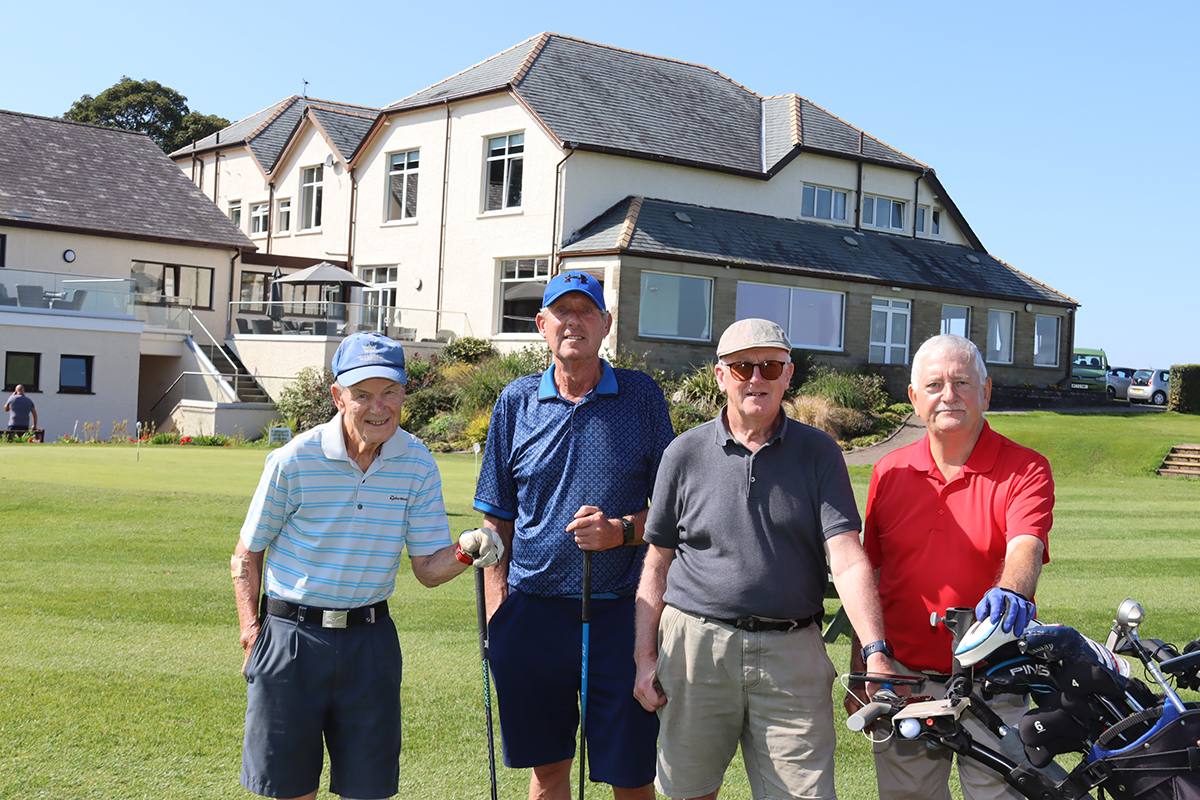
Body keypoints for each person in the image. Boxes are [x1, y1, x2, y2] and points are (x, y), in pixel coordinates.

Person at [232, 332, 502, 800]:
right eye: (362, 395)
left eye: (389, 392)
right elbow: (246, 553)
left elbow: (427, 568)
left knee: (369, 790)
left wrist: (465, 550)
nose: (379, 407)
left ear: (404, 393)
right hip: (291, 639)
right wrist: (251, 632)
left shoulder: (416, 462)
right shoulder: (293, 460)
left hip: (370, 643)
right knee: (290, 790)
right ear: (338, 397)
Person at [634, 318, 893, 800]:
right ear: (720, 376)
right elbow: (657, 563)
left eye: (771, 366)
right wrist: (644, 657)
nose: (756, 378)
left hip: (792, 653)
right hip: (696, 649)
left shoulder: (819, 452)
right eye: (742, 368)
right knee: (689, 792)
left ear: (788, 375)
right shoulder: (683, 452)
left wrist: (875, 651)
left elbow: (848, 559)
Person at [473, 271, 675, 800]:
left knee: (632, 773)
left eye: (587, 311)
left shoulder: (641, 395)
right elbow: (497, 520)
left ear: (606, 324)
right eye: (563, 311)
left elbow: (674, 512)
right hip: (532, 613)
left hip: (622, 614)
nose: (574, 322)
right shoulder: (515, 401)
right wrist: (498, 617)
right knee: (548, 770)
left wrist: (620, 531)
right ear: (542, 325)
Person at [848, 333, 1053, 800]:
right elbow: (872, 576)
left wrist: (1012, 593)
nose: (949, 395)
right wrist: (863, 663)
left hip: (995, 680)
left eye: (962, 382)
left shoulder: (1026, 469)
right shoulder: (889, 471)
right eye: (935, 384)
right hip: (905, 681)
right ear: (914, 397)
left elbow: (1026, 546)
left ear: (986, 392)